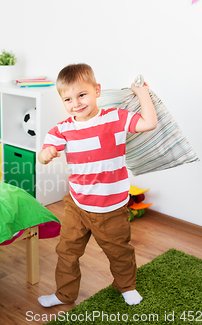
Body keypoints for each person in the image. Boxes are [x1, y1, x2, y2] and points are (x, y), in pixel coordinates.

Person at [37, 63, 157, 308]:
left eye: (82, 95)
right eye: (68, 99)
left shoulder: (116, 117)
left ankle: (126, 286)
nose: (76, 103)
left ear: (97, 91)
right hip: (77, 204)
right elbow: (43, 153)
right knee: (67, 251)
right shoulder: (63, 130)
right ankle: (63, 294)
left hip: (111, 206)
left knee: (119, 251)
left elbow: (149, 123)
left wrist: (143, 94)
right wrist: (47, 153)